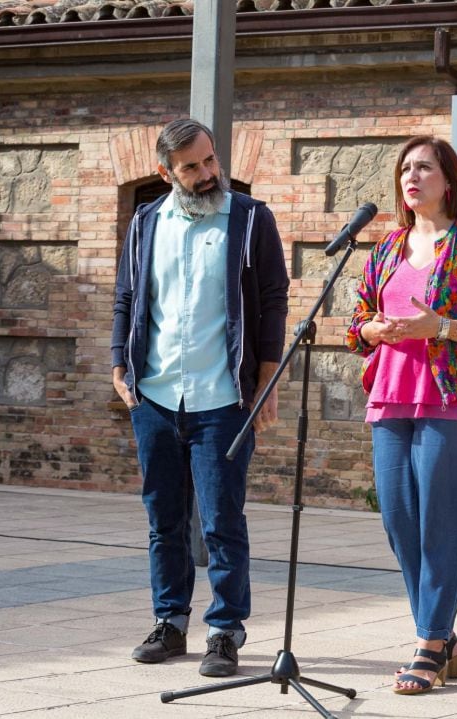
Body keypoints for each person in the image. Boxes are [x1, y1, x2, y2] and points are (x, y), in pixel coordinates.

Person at [111, 118, 290, 678]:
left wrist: (266, 380)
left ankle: (224, 629)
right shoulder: (145, 222)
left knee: (220, 519)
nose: (208, 172)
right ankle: (170, 623)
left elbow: (273, 299)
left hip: (223, 397)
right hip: (157, 396)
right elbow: (126, 296)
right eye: (192, 166)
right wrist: (120, 363)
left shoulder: (251, 219)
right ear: (166, 172)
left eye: (210, 160)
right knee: (164, 519)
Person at [345, 135, 457, 695]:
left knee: (440, 521)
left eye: (423, 167)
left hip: (455, 398)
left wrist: (439, 327)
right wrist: (373, 329)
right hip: (392, 394)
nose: (411, 177)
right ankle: (442, 633)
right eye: (404, 169)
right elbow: (358, 322)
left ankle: (429, 646)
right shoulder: (387, 247)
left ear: (449, 180)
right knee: (399, 520)